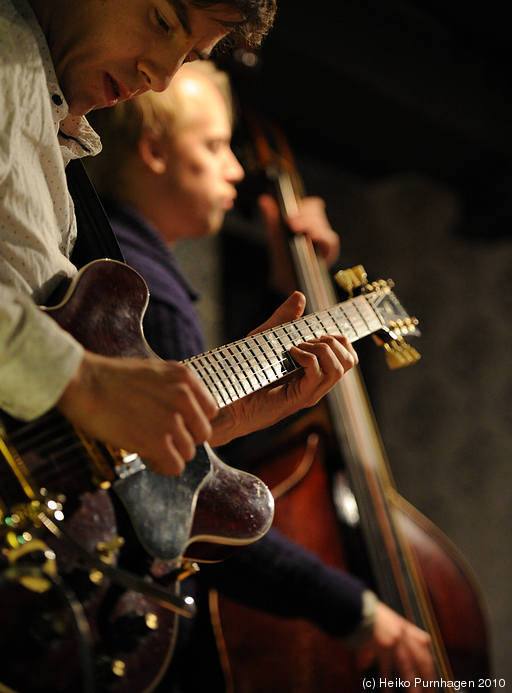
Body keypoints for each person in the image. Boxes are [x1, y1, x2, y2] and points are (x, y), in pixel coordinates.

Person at [0, 0, 358, 479]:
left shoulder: (50, 134)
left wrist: (216, 419)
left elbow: (44, 426)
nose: (159, 76)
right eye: (161, 20)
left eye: (187, 54)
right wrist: (80, 379)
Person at [87, 60, 435, 689]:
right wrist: (355, 609)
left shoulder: (118, 258)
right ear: (153, 150)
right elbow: (194, 498)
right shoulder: (143, 290)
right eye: (216, 145)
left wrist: (289, 283)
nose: (238, 169)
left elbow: (208, 418)